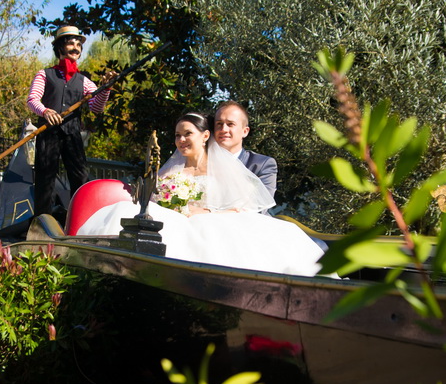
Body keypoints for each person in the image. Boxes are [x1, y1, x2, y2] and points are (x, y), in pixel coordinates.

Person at [76, 112, 333, 278]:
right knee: (126, 212)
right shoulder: (172, 170)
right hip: (176, 218)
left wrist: (205, 212)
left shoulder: (223, 168)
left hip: (211, 220)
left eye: (188, 133)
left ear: (205, 135)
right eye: (177, 135)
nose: (181, 140)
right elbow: (155, 200)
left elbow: (243, 207)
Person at [27, 25, 115, 218]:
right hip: (48, 133)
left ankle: (80, 219)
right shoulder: (45, 74)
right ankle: (42, 224)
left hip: (72, 134)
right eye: (70, 44)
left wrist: (106, 89)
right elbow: (32, 100)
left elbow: (96, 107)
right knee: (45, 180)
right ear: (60, 48)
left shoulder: (84, 81)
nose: (76, 48)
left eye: (78, 45)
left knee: (81, 178)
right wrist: (45, 111)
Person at [213, 101, 278, 200]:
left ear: (245, 131)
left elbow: (261, 205)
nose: (223, 129)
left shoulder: (262, 164)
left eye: (230, 124)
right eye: (219, 124)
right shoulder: (201, 162)